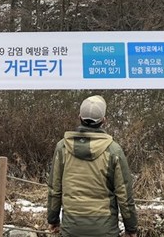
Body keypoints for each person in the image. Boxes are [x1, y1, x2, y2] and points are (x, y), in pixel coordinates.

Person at [47, 95, 138, 237]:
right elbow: (124, 195)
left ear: (79, 117)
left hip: (72, 227)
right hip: (105, 228)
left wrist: (53, 219)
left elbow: (55, 189)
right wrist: (131, 227)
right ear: (103, 120)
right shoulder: (113, 150)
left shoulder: (62, 148)